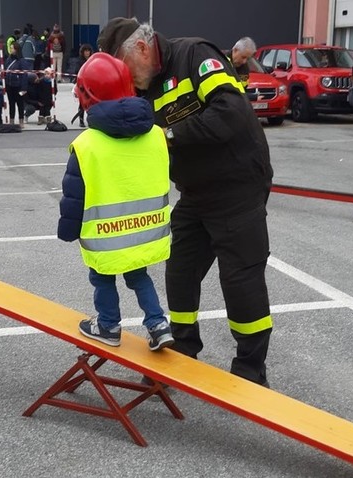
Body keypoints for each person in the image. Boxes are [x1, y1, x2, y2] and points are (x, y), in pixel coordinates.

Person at [98, 18, 274, 386]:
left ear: (142, 49)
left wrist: (170, 134)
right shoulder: (143, 86)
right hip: (195, 191)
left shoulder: (194, 55)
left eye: (125, 67)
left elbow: (231, 111)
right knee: (180, 269)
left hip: (237, 184)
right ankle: (184, 347)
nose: (127, 79)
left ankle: (249, 368)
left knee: (240, 277)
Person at [58, 52, 174, 351]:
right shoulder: (156, 136)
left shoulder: (87, 145)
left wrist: (68, 231)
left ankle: (108, 326)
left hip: (107, 236)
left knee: (103, 278)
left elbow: (74, 195)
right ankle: (158, 324)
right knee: (140, 277)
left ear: (88, 96)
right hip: (145, 232)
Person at [4, 43, 28, 127]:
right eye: (10, 48)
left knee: (20, 104)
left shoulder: (21, 60)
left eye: (12, 48)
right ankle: (11, 121)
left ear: (17, 49)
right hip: (9, 85)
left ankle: (21, 121)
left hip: (18, 86)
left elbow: (24, 74)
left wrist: (24, 87)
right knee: (11, 103)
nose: (11, 50)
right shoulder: (8, 59)